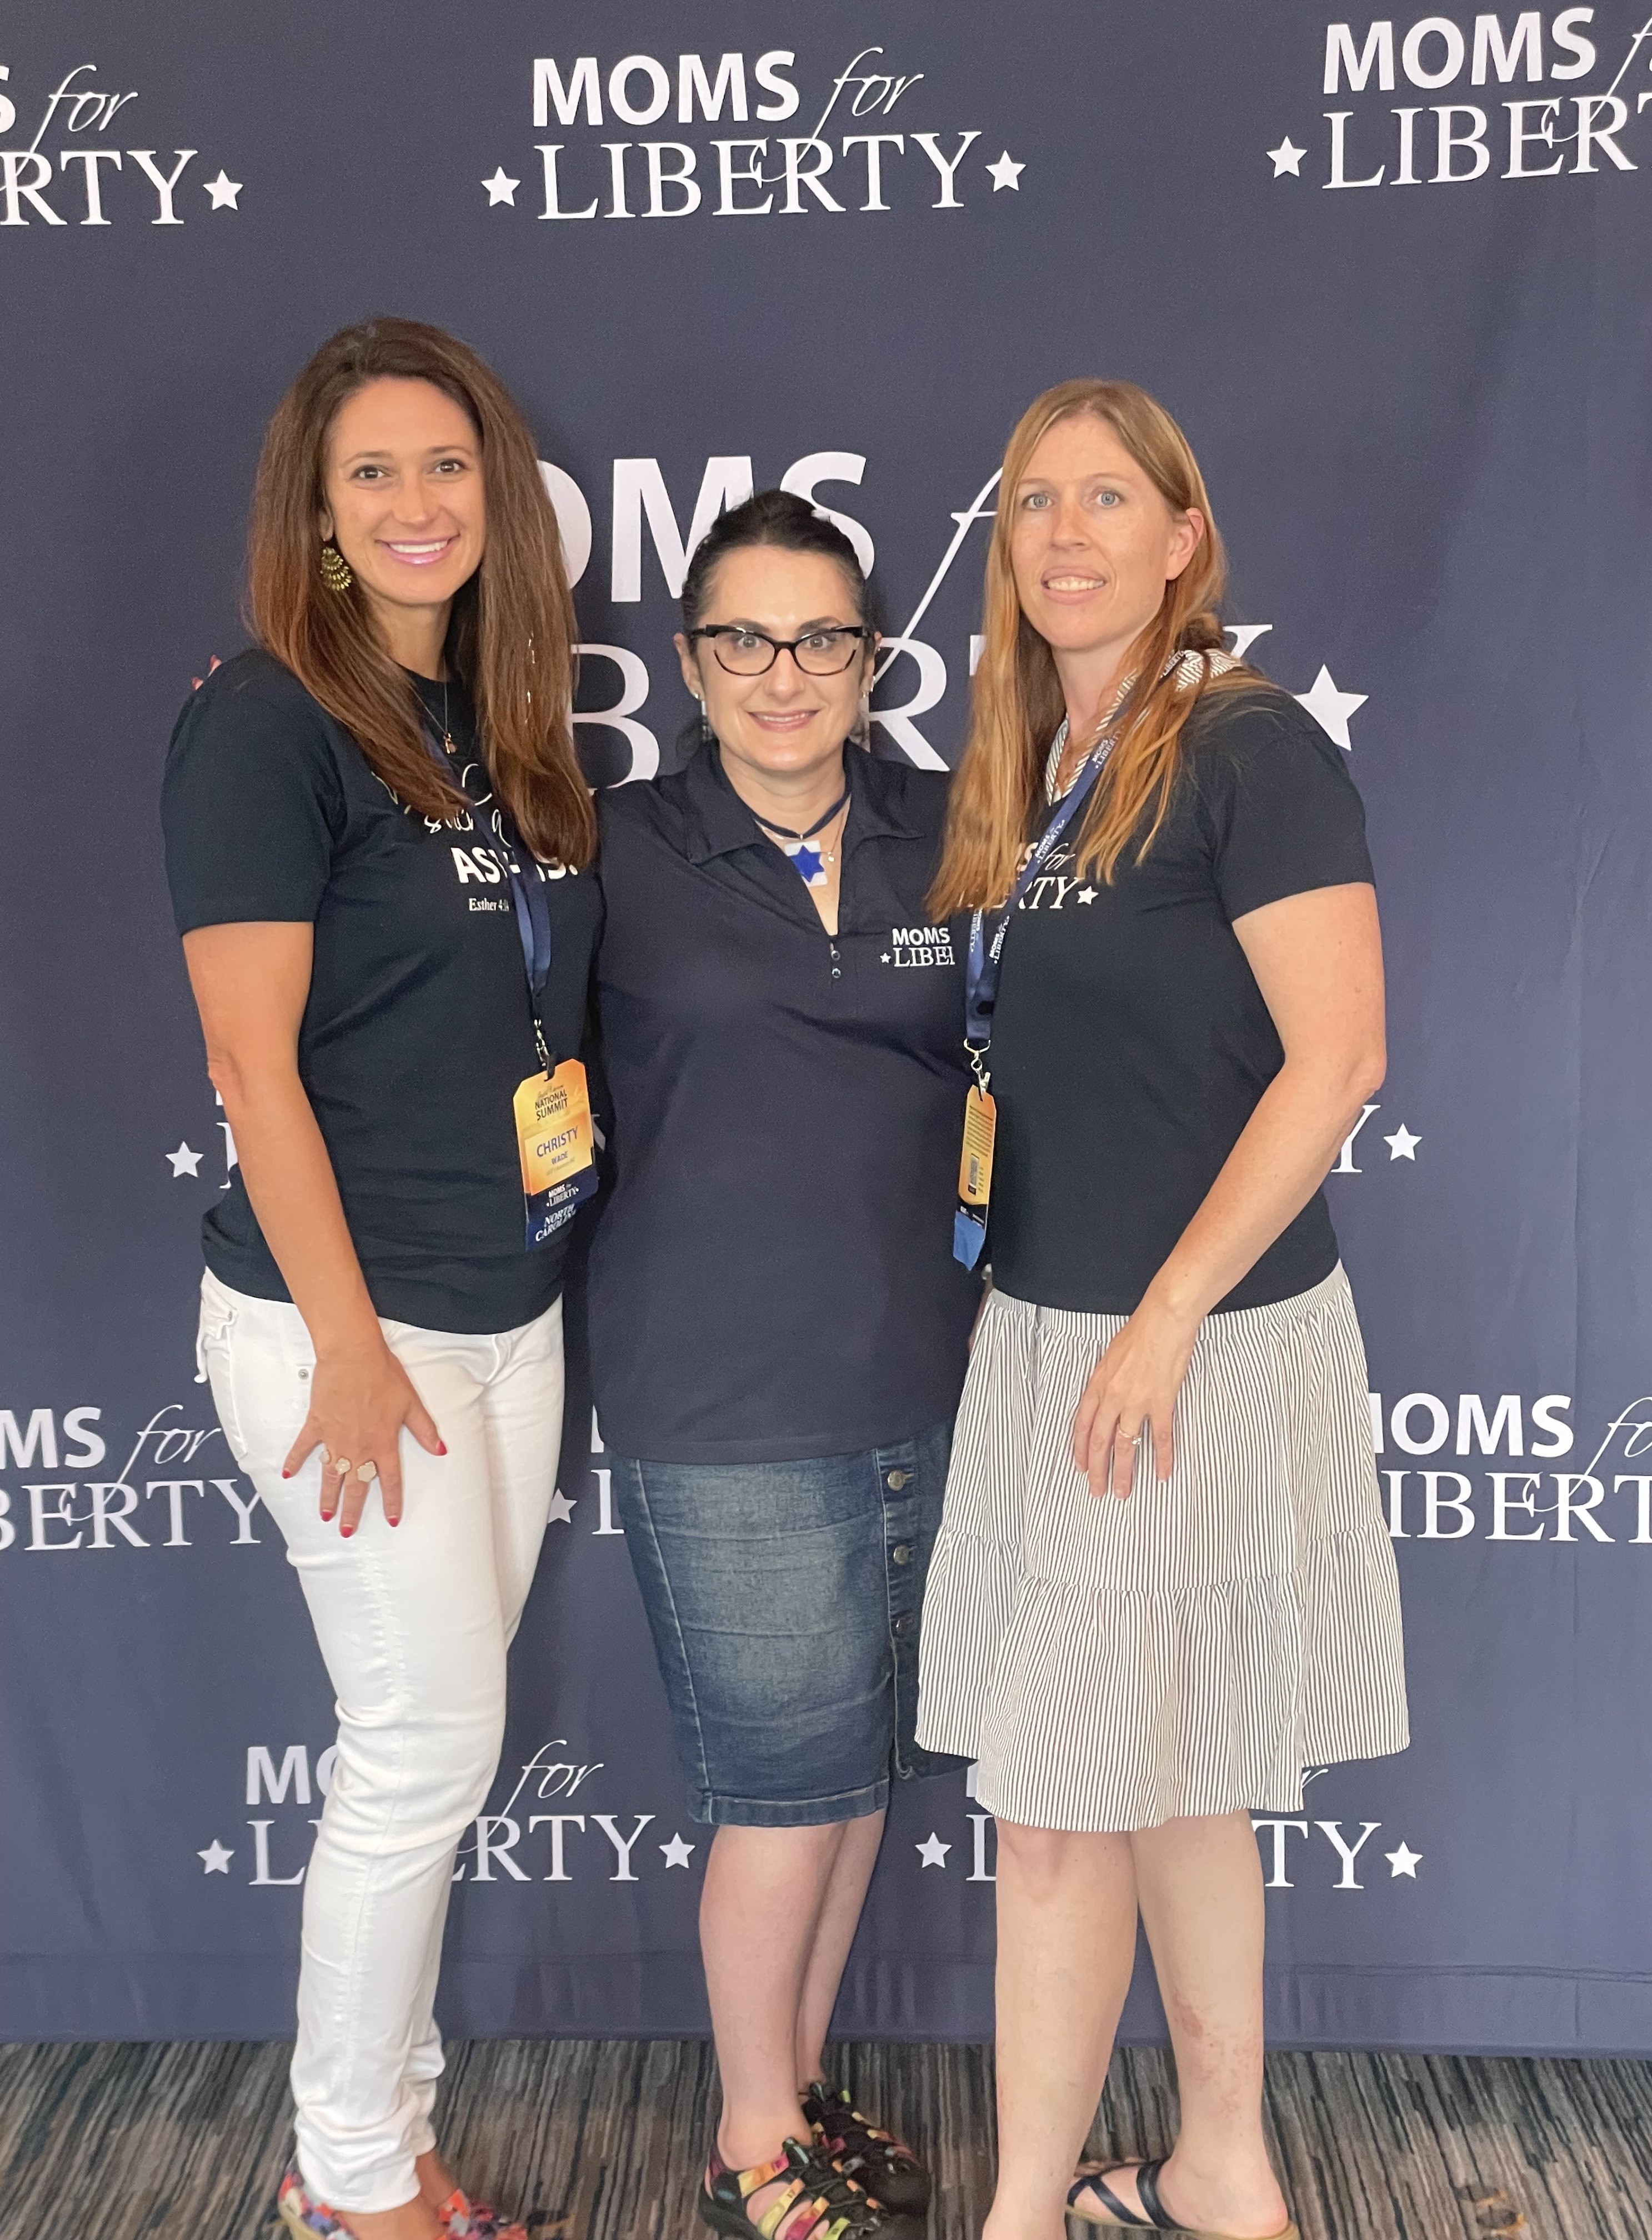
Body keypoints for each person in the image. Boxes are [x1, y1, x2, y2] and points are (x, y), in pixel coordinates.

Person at [915, 379, 1409, 2240]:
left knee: (1056, 1814)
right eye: (1035, 500)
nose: (1065, 534)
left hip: (1189, 1346)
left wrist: (1168, 1314)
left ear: (1185, 537)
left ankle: (1020, 2216)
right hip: (1058, 1327)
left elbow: (1340, 1057)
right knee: (1183, 1777)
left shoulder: (1247, 746)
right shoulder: (1040, 762)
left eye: (1109, 498)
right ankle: (1222, 2169)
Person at [161, 318, 600, 2240]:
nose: (418, 503)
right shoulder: (267, 721)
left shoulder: (490, 718)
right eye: (373, 474)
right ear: (317, 515)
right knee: (420, 1749)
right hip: (352, 1333)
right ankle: (348, 2180)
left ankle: (388, 2139)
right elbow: (248, 1064)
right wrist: (347, 1349)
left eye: (446, 466)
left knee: (435, 1748)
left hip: (510, 1312)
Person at [587, 491, 981, 2240]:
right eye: (743, 639)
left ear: (872, 659)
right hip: (720, 1396)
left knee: (858, 1783)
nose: (783, 673)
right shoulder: (610, 849)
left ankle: (800, 2088)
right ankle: (751, 2141)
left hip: (926, 1378)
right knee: (779, 1797)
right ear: (689, 661)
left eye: (823, 638)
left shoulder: (949, 827)